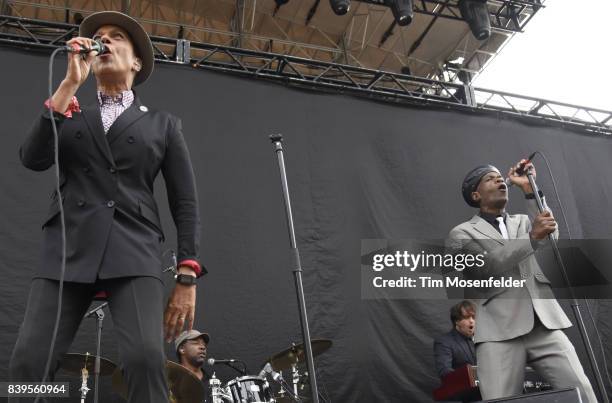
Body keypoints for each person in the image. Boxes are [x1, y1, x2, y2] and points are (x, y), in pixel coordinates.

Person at [11, 11, 204, 403]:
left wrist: (187, 273)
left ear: (136, 62)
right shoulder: (72, 111)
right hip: (69, 246)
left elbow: (184, 199)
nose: (104, 41)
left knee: (145, 359)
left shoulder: (163, 124)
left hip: (133, 246)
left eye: (117, 37)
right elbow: (32, 158)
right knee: (27, 363)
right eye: (99, 36)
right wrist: (69, 84)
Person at [446, 161, 596, 402]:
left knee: (582, 392)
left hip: (543, 323)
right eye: (489, 179)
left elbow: (550, 239)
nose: (499, 181)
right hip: (498, 331)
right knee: (500, 400)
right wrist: (532, 238)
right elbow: (485, 266)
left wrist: (529, 189)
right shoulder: (461, 233)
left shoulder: (524, 221)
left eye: (500, 177)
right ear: (476, 195)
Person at [433, 300, 477, 379]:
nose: (471, 321)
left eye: (473, 317)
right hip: (464, 390)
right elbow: (445, 372)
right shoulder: (444, 342)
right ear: (457, 321)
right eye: (467, 317)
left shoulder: (481, 340)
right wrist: (472, 377)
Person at [175, 329, 211, 398]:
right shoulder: (170, 382)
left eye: (204, 345)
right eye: (196, 343)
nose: (203, 347)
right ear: (182, 349)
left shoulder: (212, 384)